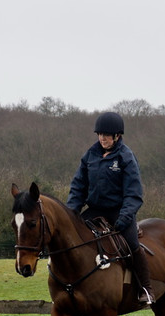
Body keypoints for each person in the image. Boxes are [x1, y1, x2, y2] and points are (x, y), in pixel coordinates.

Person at [66, 112, 155, 305]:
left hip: (119, 211)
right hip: (94, 210)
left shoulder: (126, 157)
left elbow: (134, 193)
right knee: (75, 240)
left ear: (117, 136)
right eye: (99, 134)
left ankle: (146, 289)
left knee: (132, 245)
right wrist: (71, 213)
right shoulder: (90, 155)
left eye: (106, 135)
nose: (102, 138)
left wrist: (124, 219)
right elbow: (78, 186)